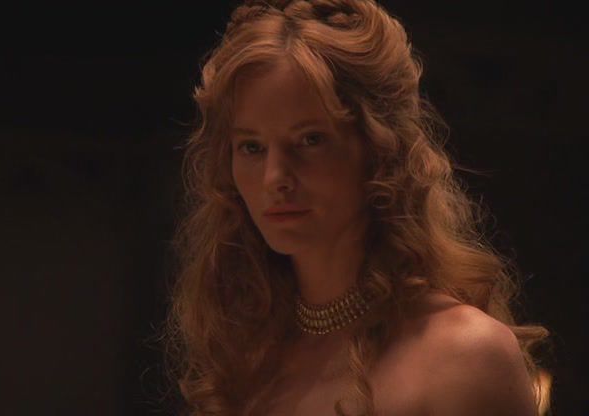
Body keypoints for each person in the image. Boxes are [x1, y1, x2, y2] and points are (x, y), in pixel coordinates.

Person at [159, 1, 550, 414]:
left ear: (380, 150)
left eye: (310, 140)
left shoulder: (463, 356)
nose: (275, 177)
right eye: (252, 147)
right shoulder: (248, 362)